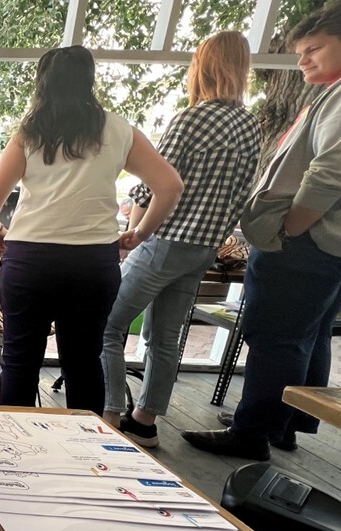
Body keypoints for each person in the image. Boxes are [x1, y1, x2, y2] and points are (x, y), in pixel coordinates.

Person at [183, 0, 341, 460]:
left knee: (275, 336)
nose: (303, 61)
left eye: (314, 49)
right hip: (338, 240)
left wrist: (289, 227)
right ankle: (283, 422)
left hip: (313, 238)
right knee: (310, 332)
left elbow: (338, 170)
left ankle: (252, 432)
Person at [0, 45, 183, 415]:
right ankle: (86, 447)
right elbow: (170, 186)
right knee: (84, 362)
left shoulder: (29, 133)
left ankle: (12, 445)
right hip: (92, 263)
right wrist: (138, 235)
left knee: (19, 361)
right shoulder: (119, 129)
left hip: (29, 261)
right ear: (89, 81)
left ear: (43, 83)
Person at [100, 31, 261, 447]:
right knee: (164, 338)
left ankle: (109, 414)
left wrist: (135, 231)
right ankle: (145, 422)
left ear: (203, 67)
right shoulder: (250, 125)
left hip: (165, 241)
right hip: (204, 248)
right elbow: (243, 192)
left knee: (106, 326)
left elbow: (155, 182)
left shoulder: (193, 119)